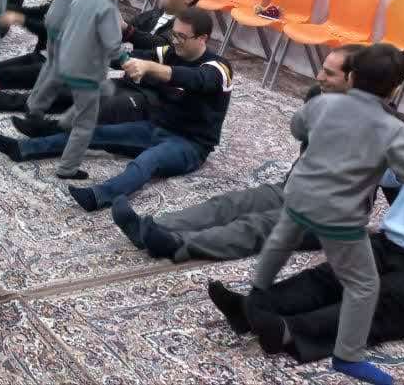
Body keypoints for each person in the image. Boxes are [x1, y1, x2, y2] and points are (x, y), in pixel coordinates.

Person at [210, 100, 404, 373]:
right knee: (329, 277)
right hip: (392, 246)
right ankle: (248, 309)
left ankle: (288, 333)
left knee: (380, 300)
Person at [246, 44, 404, 385]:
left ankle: (257, 293)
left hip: (299, 194)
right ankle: (348, 356)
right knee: (364, 285)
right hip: (338, 216)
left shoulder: (323, 103)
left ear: (351, 76)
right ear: (396, 88)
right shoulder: (392, 129)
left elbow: (297, 128)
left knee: (281, 240)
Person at [117, 44, 363, 262]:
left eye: (329, 73)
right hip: (295, 189)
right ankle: (149, 229)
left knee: (255, 226)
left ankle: (178, 244)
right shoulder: (318, 97)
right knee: (228, 204)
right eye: (321, 69)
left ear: (353, 79)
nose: (319, 77)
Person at [0, 7, 233, 212]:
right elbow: (130, 57)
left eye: (182, 37)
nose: (175, 41)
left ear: (202, 39)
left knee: (148, 160)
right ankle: (23, 149)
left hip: (190, 144)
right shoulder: (169, 52)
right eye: (174, 34)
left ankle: (99, 196)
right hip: (156, 127)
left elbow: (194, 79)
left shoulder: (219, 69)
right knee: (93, 133)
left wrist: (150, 67)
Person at [10, 0, 134, 180]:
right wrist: (126, 60)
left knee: (106, 90)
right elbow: (112, 44)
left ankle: (62, 122)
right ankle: (67, 168)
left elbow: (66, 30)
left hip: (66, 64)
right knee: (85, 125)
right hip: (87, 73)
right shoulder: (107, 9)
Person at [23, 0, 125, 115]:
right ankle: (35, 110)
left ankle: (32, 104)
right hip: (67, 27)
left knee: (52, 66)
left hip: (55, 20)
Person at [127, 0, 205, 50]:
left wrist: (127, 30)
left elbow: (161, 46)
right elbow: (129, 28)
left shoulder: (186, 26)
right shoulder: (151, 14)